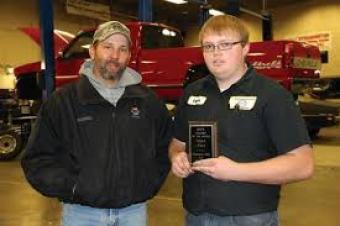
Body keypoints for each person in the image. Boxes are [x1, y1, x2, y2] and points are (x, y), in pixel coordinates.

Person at [21, 21, 172, 226]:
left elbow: (166, 147)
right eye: (107, 47)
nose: (115, 55)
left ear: (129, 55)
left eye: (122, 49)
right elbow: (37, 158)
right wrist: (73, 187)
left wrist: (148, 183)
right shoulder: (63, 102)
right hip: (81, 215)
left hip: (133, 213)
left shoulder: (149, 102)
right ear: (92, 51)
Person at [169, 15, 314, 226]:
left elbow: (303, 164)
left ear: (246, 48)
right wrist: (177, 158)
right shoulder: (192, 93)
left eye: (225, 44)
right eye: (208, 46)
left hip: (250, 217)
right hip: (197, 216)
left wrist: (235, 171)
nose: (216, 53)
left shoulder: (272, 96)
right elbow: (178, 143)